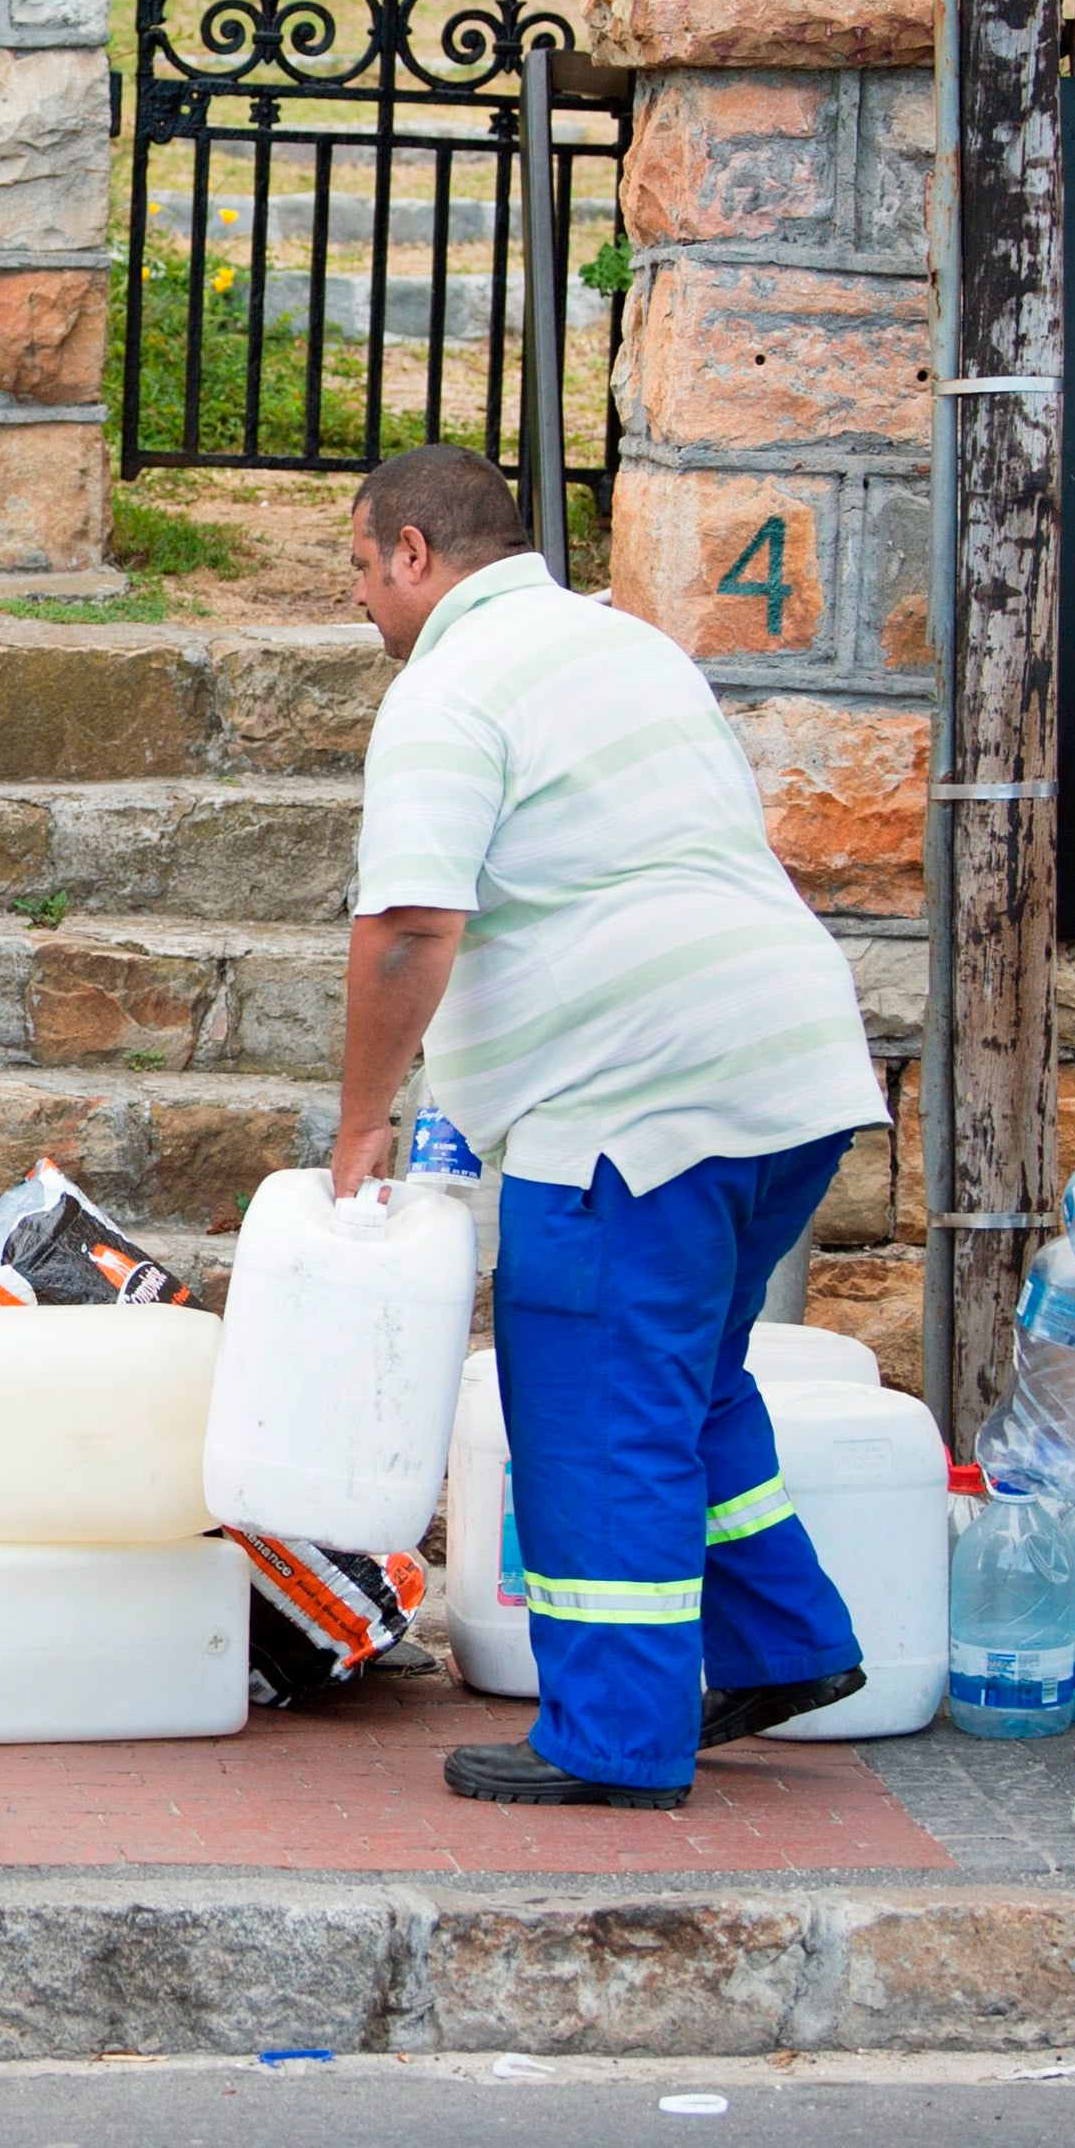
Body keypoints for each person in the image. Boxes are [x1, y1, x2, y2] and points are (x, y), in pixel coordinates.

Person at [335, 445, 887, 1807]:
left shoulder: (447, 686)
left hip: (636, 1100)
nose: (356, 599)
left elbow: (410, 923)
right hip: (791, 1066)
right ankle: (784, 1644)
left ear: (414, 552)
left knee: (592, 1406)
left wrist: (359, 1123)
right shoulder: (623, 647)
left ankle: (616, 1738)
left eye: (357, 565)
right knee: (689, 1381)